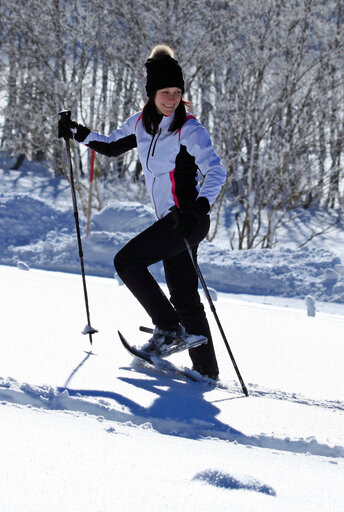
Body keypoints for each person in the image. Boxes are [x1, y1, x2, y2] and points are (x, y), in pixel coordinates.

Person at [58, 44, 225, 380]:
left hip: (187, 220)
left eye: (177, 92)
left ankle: (167, 329)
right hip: (171, 221)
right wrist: (76, 132)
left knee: (127, 261)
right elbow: (111, 145)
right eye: (165, 92)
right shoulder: (141, 124)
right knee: (184, 295)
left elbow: (216, 171)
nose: (172, 99)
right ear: (151, 93)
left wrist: (199, 209)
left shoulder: (188, 128)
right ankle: (206, 370)